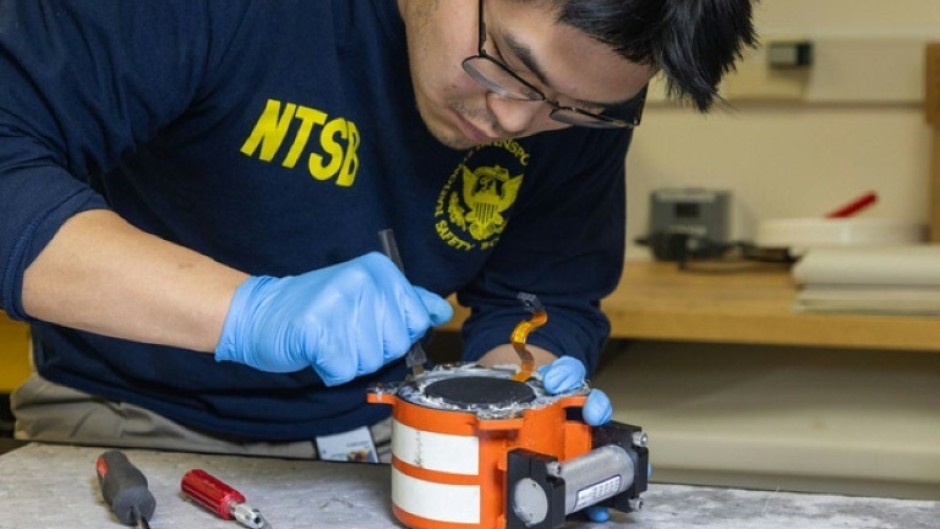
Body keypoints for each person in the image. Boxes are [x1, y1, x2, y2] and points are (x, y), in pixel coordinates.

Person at [1, 0, 754, 494]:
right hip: (128, 428)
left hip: (396, 441)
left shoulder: (579, 87)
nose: (516, 120)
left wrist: (518, 396)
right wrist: (246, 311)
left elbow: (544, 294)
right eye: (509, 66)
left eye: (575, 110)